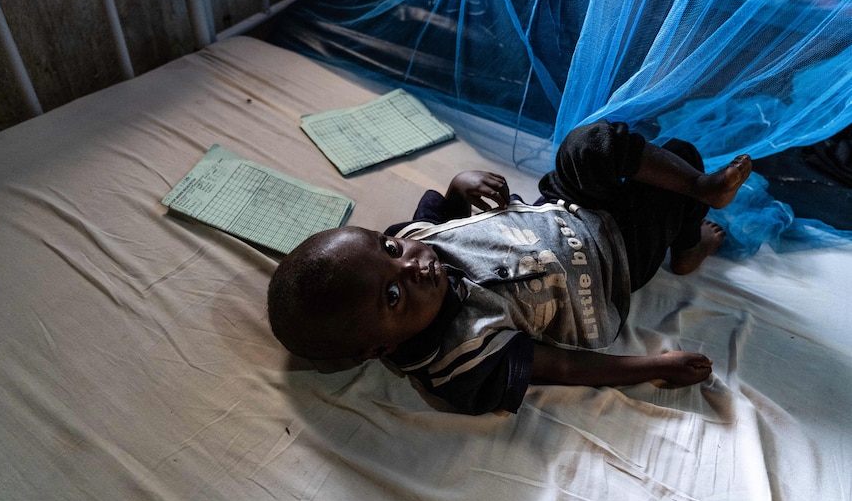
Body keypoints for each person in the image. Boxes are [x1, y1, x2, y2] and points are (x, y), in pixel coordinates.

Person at [268, 120, 752, 415]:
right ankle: (687, 247)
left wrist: (462, 183)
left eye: (389, 249)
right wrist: (653, 367)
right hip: (614, 262)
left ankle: (703, 187)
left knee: (589, 143)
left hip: (561, 205)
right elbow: (560, 365)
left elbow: (441, 213)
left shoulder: (413, 243)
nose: (413, 265)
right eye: (392, 297)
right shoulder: (460, 357)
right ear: (382, 347)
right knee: (677, 165)